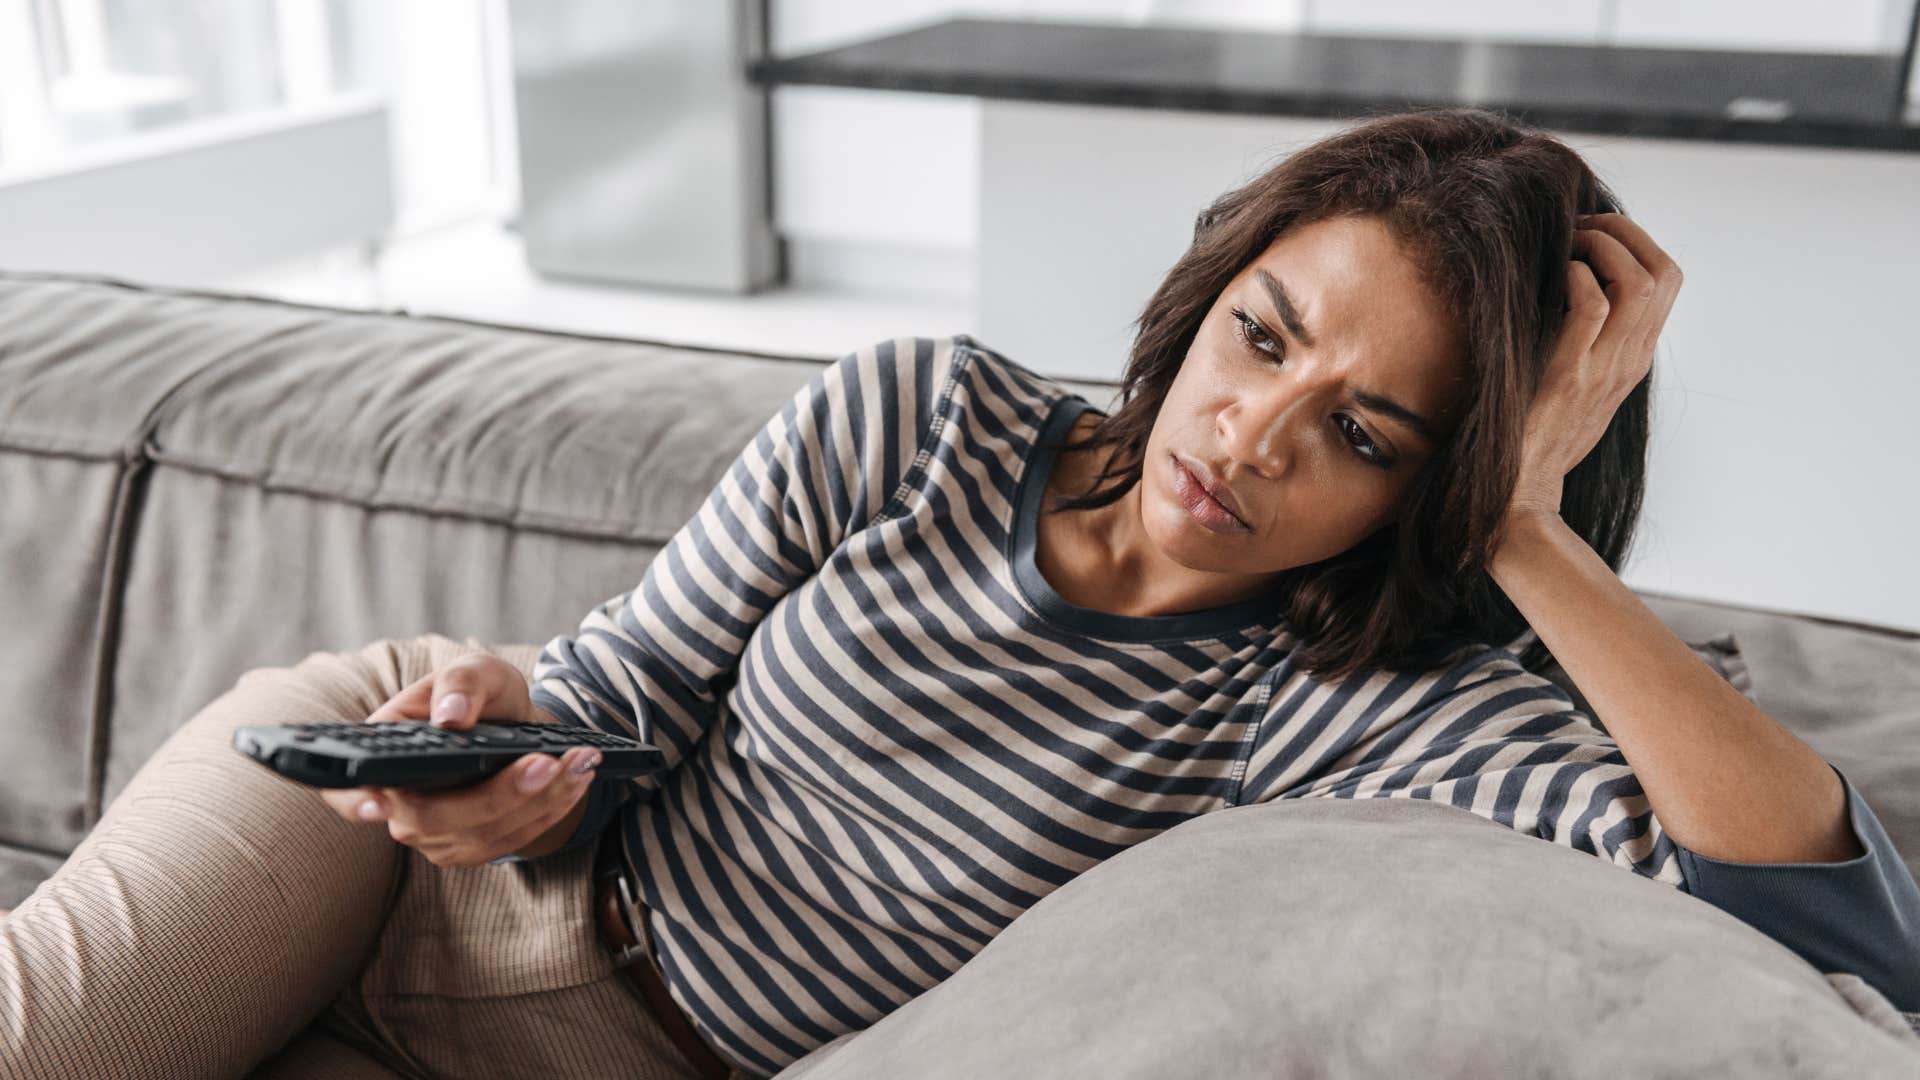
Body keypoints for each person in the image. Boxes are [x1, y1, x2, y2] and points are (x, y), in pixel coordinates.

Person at [5, 106, 1917, 1079]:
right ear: (1212, 284)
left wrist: (1527, 528)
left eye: (1371, 433)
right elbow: (634, 687)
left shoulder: (1354, 700)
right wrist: (509, 741)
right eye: (1258, 339)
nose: (1249, 437)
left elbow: (1824, 918)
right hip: (389, 867)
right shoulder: (919, 415)